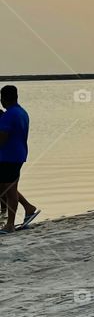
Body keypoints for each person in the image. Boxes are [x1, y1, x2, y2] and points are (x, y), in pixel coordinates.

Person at [0, 85, 39, 234]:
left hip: (9, 156)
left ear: (3, 99)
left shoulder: (9, 115)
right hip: (17, 154)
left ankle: (10, 224)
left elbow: (2, 139)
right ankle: (28, 207)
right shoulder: (21, 112)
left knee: (9, 190)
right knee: (7, 187)